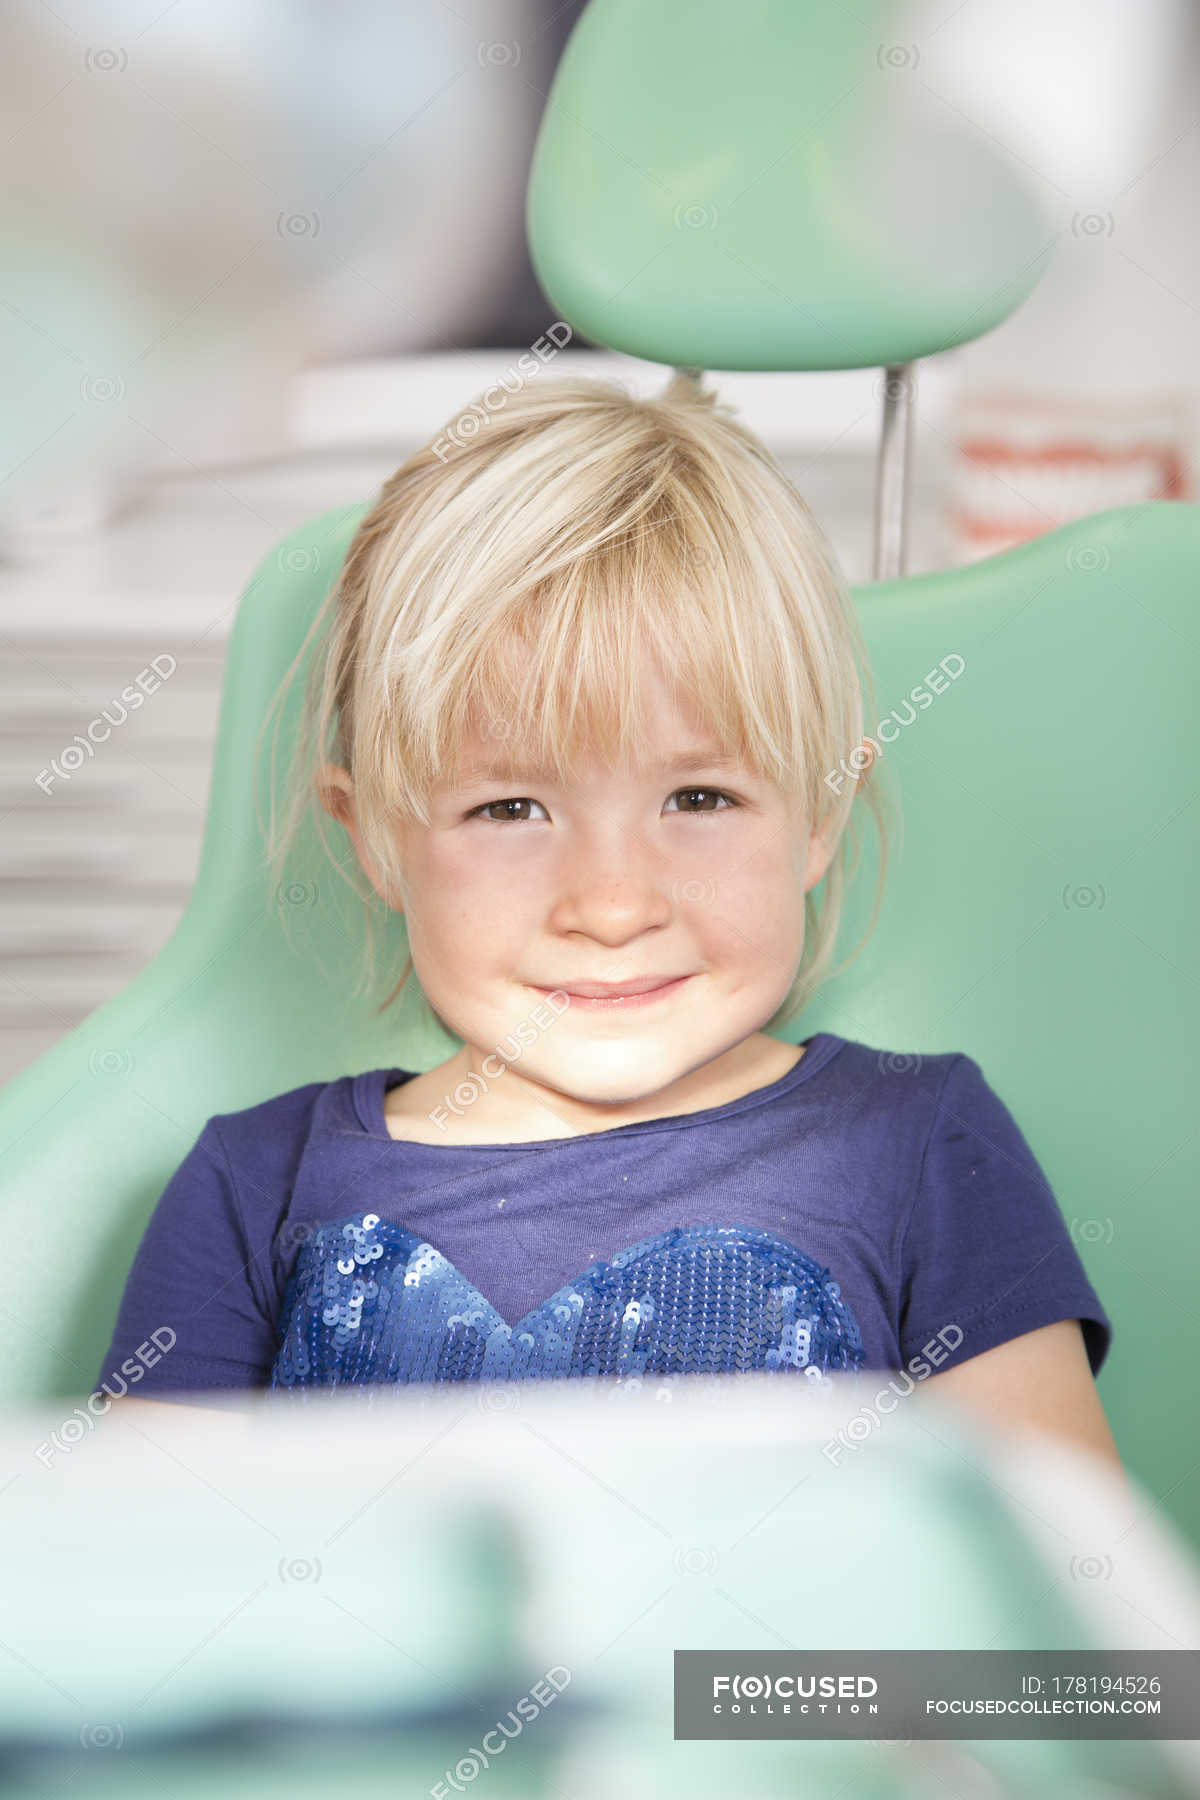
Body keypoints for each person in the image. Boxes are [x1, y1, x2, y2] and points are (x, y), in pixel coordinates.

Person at [96, 371, 1121, 1473]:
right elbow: (146, 1596)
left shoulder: (925, 1148)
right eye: (510, 808)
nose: (613, 904)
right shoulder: (253, 1183)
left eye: (700, 799)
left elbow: (1060, 1614)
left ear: (820, 813)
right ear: (375, 837)